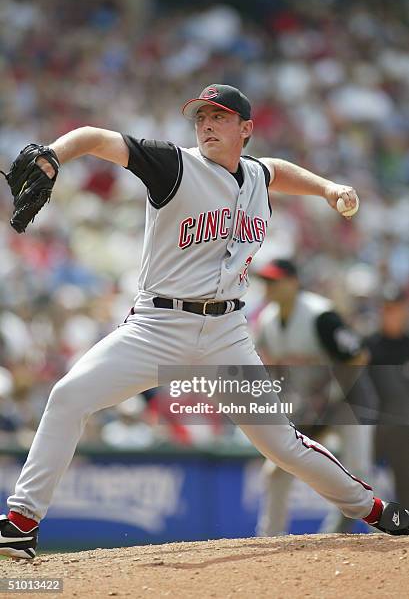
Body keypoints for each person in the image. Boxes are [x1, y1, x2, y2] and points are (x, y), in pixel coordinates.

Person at [0, 84, 407, 559]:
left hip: (227, 335)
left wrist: (328, 188)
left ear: (246, 128)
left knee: (283, 445)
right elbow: (95, 136)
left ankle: (377, 511)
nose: (207, 124)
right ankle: (22, 523)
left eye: (219, 116)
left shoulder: (255, 175)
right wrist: (54, 154)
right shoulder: (174, 164)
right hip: (157, 327)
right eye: (201, 118)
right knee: (69, 397)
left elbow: (278, 171)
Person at [253, 259, 376, 536]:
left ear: (294, 282)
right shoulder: (266, 320)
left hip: (348, 400)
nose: (269, 287)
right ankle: (271, 538)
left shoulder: (320, 314)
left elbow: (358, 355)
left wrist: (331, 390)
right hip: (309, 406)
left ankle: (385, 539)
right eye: (266, 281)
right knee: (276, 469)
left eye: (276, 280)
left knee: (359, 471)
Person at [365, 284, 409, 505]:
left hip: (402, 430)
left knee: (405, 489)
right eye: (386, 308)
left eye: (395, 308)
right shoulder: (369, 345)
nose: (390, 313)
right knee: (355, 484)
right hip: (372, 427)